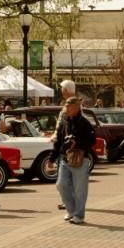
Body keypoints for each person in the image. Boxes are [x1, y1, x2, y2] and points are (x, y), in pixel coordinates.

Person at [47, 96, 95, 224]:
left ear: (76, 107)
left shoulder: (84, 123)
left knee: (80, 189)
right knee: (61, 184)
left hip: (80, 159)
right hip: (64, 158)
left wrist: (77, 143)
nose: (66, 109)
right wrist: (51, 159)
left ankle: (79, 215)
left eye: (69, 107)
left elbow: (92, 141)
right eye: (66, 106)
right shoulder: (64, 121)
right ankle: (71, 210)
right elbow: (58, 142)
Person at [53, 80, 78, 210]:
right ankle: (67, 200)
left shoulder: (72, 105)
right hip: (65, 144)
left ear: (66, 90)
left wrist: (57, 135)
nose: (61, 91)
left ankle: (69, 202)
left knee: (65, 177)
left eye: (62, 88)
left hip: (67, 146)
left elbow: (65, 125)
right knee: (66, 177)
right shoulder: (71, 104)